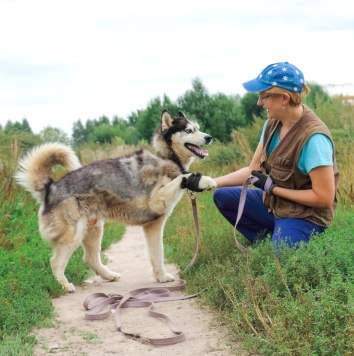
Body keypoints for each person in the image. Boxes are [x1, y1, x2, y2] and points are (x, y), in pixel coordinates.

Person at [213, 62, 339, 250]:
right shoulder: (272, 124)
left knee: (283, 252)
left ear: (284, 98)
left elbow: (324, 198)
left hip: (306, 215)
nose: (259, 103)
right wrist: (209, 181)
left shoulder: (314, 139)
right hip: (276, 206)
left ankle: (284, 240)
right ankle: (271, 239)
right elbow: (252, 170)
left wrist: (273, 189)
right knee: (223, 196)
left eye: (263, 96)